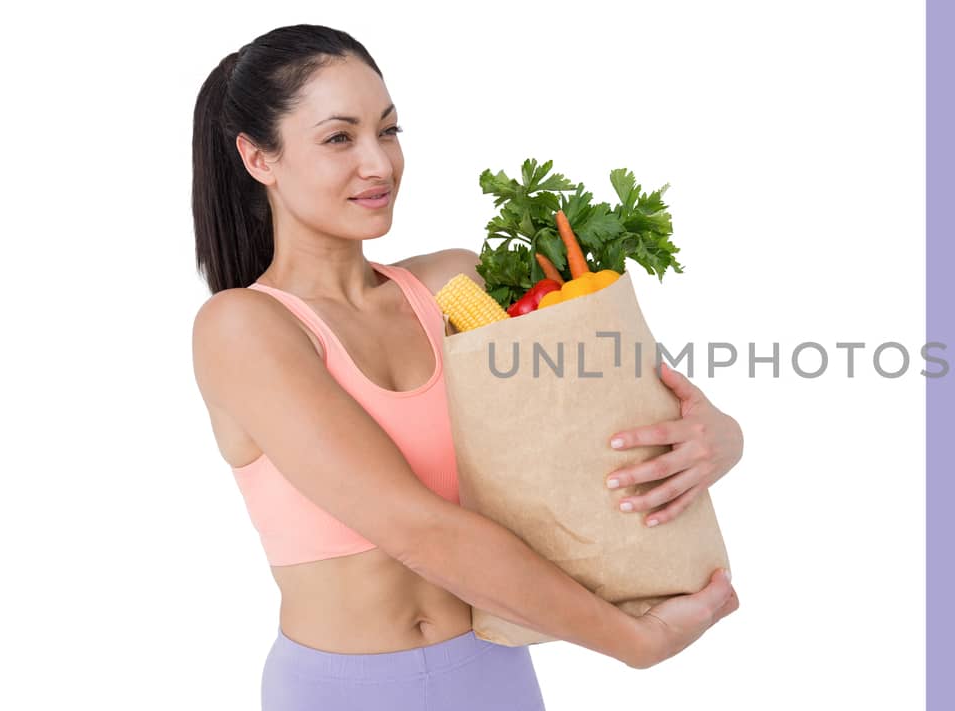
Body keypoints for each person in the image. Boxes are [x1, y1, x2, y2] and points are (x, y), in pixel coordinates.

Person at [189, 24, 744, 710]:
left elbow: (606, 411)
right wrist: (635, 640)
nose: (380, 164)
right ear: (258, 158)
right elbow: (418, 527)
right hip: (342, 691)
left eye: (389, 132)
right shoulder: (241, 328)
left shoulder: (455, 287)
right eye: (340, 138)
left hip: (494, 673)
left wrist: (717, 436)